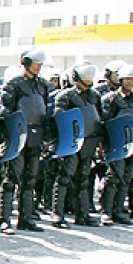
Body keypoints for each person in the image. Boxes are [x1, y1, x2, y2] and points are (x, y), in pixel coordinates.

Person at [0, 47, 51, 233]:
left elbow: (45, 111)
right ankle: (5, 219)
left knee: (30, 180)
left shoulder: (43, 85)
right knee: (11, 179)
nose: (38, 67)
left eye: (40, 64)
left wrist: (46, 138)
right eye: (35, 64)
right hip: (18, 135)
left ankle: (26, 217)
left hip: (35, 136)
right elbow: (5, 112)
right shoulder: (14, 84)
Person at [52, 62, 103, 227]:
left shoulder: (94, 96)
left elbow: (99, 118)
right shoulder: (65, 96)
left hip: (89, 141)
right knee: (65, 178)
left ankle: (83, 213)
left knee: (84, 179)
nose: (89, 79)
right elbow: (59, 119)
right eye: (85, 75)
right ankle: (57, 214)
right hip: (72, 142)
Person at [98, 64, 133, 225]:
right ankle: (106, 211)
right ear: (121, 80)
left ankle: (119, 210)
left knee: (127, 177)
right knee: (114, 177)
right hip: (116, 143)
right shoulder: (111, 100)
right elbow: (104, 124)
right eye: (128, 79)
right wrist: (103, 145)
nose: (131, 82)